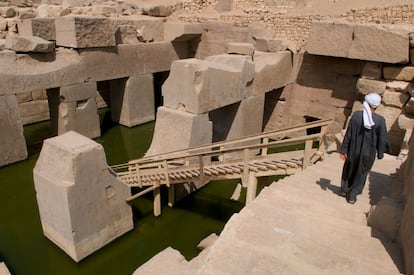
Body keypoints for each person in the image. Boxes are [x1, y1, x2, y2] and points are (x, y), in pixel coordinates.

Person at [339, 93, 390, 204]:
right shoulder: (380, 120)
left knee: (349, 169)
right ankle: (352, 196)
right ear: (376, 106)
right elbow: (382, 139)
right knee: (361, 173)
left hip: (353, 150)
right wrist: (380, 153)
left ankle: (344, 189)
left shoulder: (356, 115)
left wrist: (344, 150)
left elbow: (349, 134)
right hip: (368, 153)